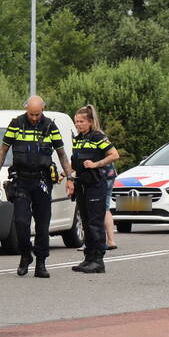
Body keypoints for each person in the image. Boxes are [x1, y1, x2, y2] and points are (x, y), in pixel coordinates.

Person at [0, 96, 73, 278]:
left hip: (42, 181)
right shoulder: (16, 124)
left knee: (43, 224)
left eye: (38, 114)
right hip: (21, 180)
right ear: (26, 109)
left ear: (42, 110)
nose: (34, 117)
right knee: (21, 222)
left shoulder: (50, 126)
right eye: (31, 114)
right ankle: (25, 255)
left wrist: (69, 178)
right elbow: (3, 149)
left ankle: (41, 263)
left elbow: (61, 153)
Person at [69, 105, 120, 274]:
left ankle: (98, 261)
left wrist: (95, 164)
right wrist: (67, 175)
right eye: (76, 121)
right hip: (81, 185)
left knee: (95, 223)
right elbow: (74, 162)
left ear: (90, 122)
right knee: (85, 222)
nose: (78, 124)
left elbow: (114, 155)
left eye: (81, 121)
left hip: (96, 185)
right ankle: (88, 258)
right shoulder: (77, 139)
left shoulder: (98, 136)